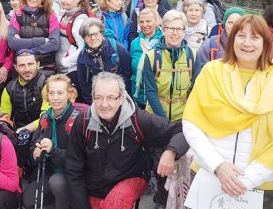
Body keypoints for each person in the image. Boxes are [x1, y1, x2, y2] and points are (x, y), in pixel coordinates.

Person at [183, 14, 273, 208]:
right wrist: (218, 166)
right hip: (209, 176)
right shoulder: (212, 72)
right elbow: (191, 122)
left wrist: (246, 180)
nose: (247, 43)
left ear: (265, 43)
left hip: (258, 185)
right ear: (232, 39)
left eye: (255, 37)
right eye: (241, 36)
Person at [65, 72, 189, 209]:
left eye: (111, 98)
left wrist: (171, 152)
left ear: (121, 98)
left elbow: (182, 130)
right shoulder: (83, 121)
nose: (104, 104)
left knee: (116, 203)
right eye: (98, 97)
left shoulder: (138, 119)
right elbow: (74, 167)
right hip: (95, 185)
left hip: (131, 177)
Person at [22, 74, 82, 209]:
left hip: (72, 174)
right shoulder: (45, 117)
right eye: (51, 93)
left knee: (57, 183)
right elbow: (33, 147)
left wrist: (53, 150)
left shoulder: (78, 118)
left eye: (60, 93)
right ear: (46, 95)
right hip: (49, 170)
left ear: (69, 94)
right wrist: (35, 154)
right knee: (29, 201)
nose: (55, 97)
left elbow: (78, 159)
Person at [140, 10, 200, 122]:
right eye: (170, 28)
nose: (175, 33)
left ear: (184, 32)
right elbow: (150, 91)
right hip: (155, 117)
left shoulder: (193, 56)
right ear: (163, 30)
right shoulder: (151, 57)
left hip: (183, 117)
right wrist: (164, 120)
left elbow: (195, 90)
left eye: (179, 29)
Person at [8, 0, 60, 75]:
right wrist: (43, 40)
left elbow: (54, 44)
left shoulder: (51, 15)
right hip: (22, 69)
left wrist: (27, 50)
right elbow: (12, 43)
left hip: (46, 68)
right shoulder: (18, 15)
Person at [76, 18, 132, 105]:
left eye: (96, 34)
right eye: (88, 35)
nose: (93, 38)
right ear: (84, 38)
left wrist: (122, 101)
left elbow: (128, 76)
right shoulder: (82, 59)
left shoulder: (118, 49)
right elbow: (85, 87)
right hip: (98, 102)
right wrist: (94, 105)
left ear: (102, 33)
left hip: (119, 99)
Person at [0, 51, 49, 132]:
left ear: (38, 64)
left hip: (43, 131)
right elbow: (4, 119)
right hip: (17, 132)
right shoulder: (9, 88)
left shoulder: (47, 84)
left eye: (30, 64)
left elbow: (47, 117)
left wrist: (26, 129)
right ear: (15, 67)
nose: (26, 69)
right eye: (22, 65)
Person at [55, 0, 91, 86]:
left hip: (72, 71)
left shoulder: (79, 20)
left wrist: (65, 62)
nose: (63, 1)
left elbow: (83, 47)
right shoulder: (64, 15)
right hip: (62, 70)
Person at [130, 8, 163, 108]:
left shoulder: (163, 42)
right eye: (141, 22)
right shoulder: (135, 43)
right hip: (137, 95)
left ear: (156, 22)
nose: (144, 25)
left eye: (148, 21)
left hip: (158, 95)